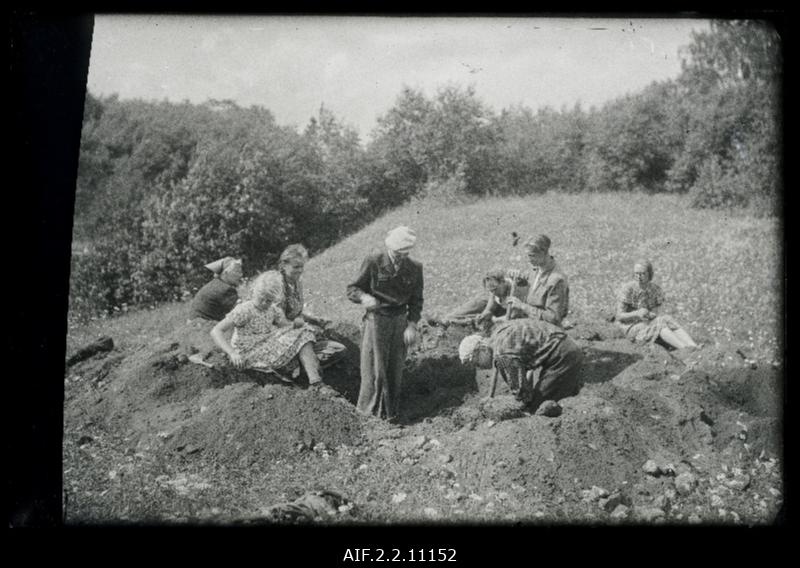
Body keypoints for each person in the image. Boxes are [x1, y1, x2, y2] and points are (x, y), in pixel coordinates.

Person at [346, 226, 424, 422]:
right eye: (397, 254)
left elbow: (416, 300)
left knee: (394, 371)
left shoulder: (415, 268)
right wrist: (364, 297)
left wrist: (412, 325)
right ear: (390, 248)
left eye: (404, 254)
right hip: (376, 321)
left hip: (399, 322)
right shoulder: (374, 261)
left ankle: (390, 415)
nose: (400, 258)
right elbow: (352, 289)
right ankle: (366, 417)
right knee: (373, 371)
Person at [211, 270, 332, 390]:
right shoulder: (244, 310)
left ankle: (312, 377)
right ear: (253, 291)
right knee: (303, 335)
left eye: (269, 300)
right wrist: (232, 352)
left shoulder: (271, 309)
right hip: (249, 352)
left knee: (304, 332)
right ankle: (313, 380)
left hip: (267, 343)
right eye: (261, 298)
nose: (264, 303)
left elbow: (285, 326)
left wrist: (300, 325)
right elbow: (216, 331)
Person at [458, 318, 583, 412]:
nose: (479, 367)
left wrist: (504, 407)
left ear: (482, 349)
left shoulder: (503, 356)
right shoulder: (498, 334)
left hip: (563, 354)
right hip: (566, 346)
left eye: (476, 362)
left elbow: (523, 395)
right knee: (555, 398)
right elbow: (525, 376)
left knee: (537, 408)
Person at [276, 244, 346, 369]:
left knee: (339, 349)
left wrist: (315, 320)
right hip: (281, 336)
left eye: (301, 266)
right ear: (283, 265)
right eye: (296, 267)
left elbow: (295, 312)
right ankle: (302, 368)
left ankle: (307, 364)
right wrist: (302, 326)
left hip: (298, 331)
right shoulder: (277, 286)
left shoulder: (296, 283)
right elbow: (278, 320)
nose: (300, 270)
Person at [615, 260, 699, 350]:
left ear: (650, 274)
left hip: (647, 324)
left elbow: (655, 313)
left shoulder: (655, 289)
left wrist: (650, 315)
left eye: (642, 274)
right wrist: (636, 313)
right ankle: (684, 348)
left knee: (667, 319)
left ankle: (693, 346)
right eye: (636, 273)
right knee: (660, 322)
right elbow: (619, 316)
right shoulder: (628, 289)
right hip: (630, 328)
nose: (638, 277)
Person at [186, 256, 243, 367]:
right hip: (202, 329)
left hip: (194, 328)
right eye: (237, 272)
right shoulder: (225, 289)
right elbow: (240, 313)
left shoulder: (217, 284)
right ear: (226, 273)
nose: (241, 275)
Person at [505, 234, 570, 327]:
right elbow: (534, 288)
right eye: (527, 255)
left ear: (543, 252)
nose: (529, 260)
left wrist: (522, 306)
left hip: (546, 329)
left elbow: (553, 318)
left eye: (532, 256)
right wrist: (519, 281)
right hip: (531, 323)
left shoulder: (557, 280)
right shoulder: (537, 268)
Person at [444, 269, 529, 330]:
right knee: (478, 303)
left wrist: (493, 320)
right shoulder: (494, 290)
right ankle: (449, 319)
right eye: (491, 290)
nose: (493, 292)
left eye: (495, 289)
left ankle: (460, 321)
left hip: (518, 315)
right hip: (502, 308)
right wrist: (484, 315)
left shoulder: (515, 291)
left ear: (503, 282)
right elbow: (489, 308)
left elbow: (511, 317)